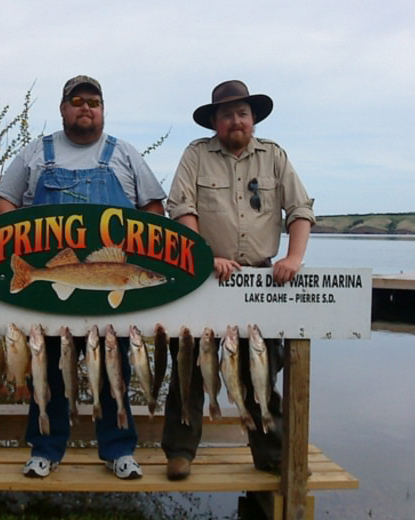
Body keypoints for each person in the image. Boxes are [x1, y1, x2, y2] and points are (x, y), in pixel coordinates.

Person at [0, 75, 166, 479]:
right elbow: (5, 203)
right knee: (47, 367)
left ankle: (120, 450)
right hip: (58, 287)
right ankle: (45, 449)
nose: (85, 107)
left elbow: (154, 210)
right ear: (63, 108)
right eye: (77, 100)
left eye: (94, 101)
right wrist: (24, 247)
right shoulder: (37, 152)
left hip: (111, 289)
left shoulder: (123, 154)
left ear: (103, 109)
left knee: (115, 371)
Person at [164, 80, 315, 480]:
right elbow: (181, 208)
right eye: (228, 114)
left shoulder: (274, 156)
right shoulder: (195, 155)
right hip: (203, 279)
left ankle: (273, 453)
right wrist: (203, 256)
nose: (237, 121)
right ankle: (179, 452)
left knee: (260, 369)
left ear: (253, 119)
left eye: (243, 113)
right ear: (214, 121)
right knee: (189, 368)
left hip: (260, 279)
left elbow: (300, 208)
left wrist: (294, 258)